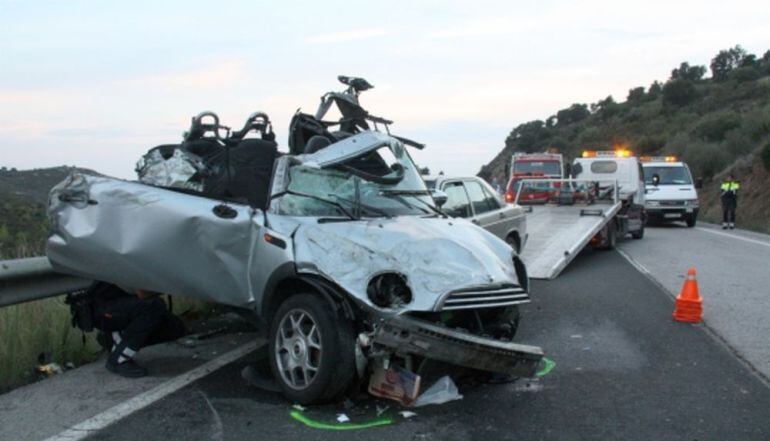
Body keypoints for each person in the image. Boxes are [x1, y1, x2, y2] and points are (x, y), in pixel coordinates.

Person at [88, 281, 187, 378]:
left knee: (175, 328)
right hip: (103, 310)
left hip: (118, 304)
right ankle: (118, 359)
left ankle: (114, 339)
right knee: (154, 305)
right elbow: (143, 294)